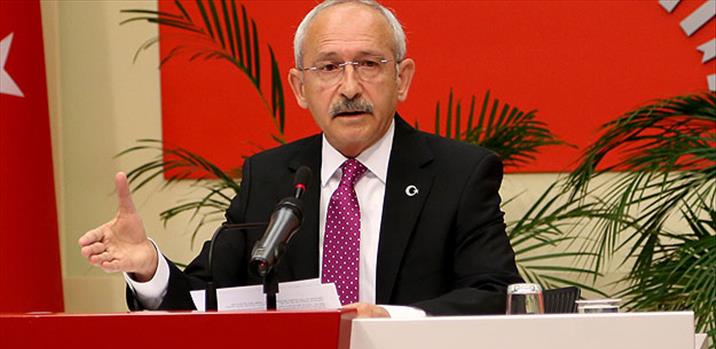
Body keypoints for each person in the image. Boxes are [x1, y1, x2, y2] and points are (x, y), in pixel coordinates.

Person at [79, 0, 523, 317]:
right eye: (328, 68)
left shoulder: (459, 174)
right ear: (299, 88)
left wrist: (391, 320)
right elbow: (208, 298)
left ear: (401, 79)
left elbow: (495, 294)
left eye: (368, 64)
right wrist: (149, 267)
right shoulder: (270, 176)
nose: (349, 87)